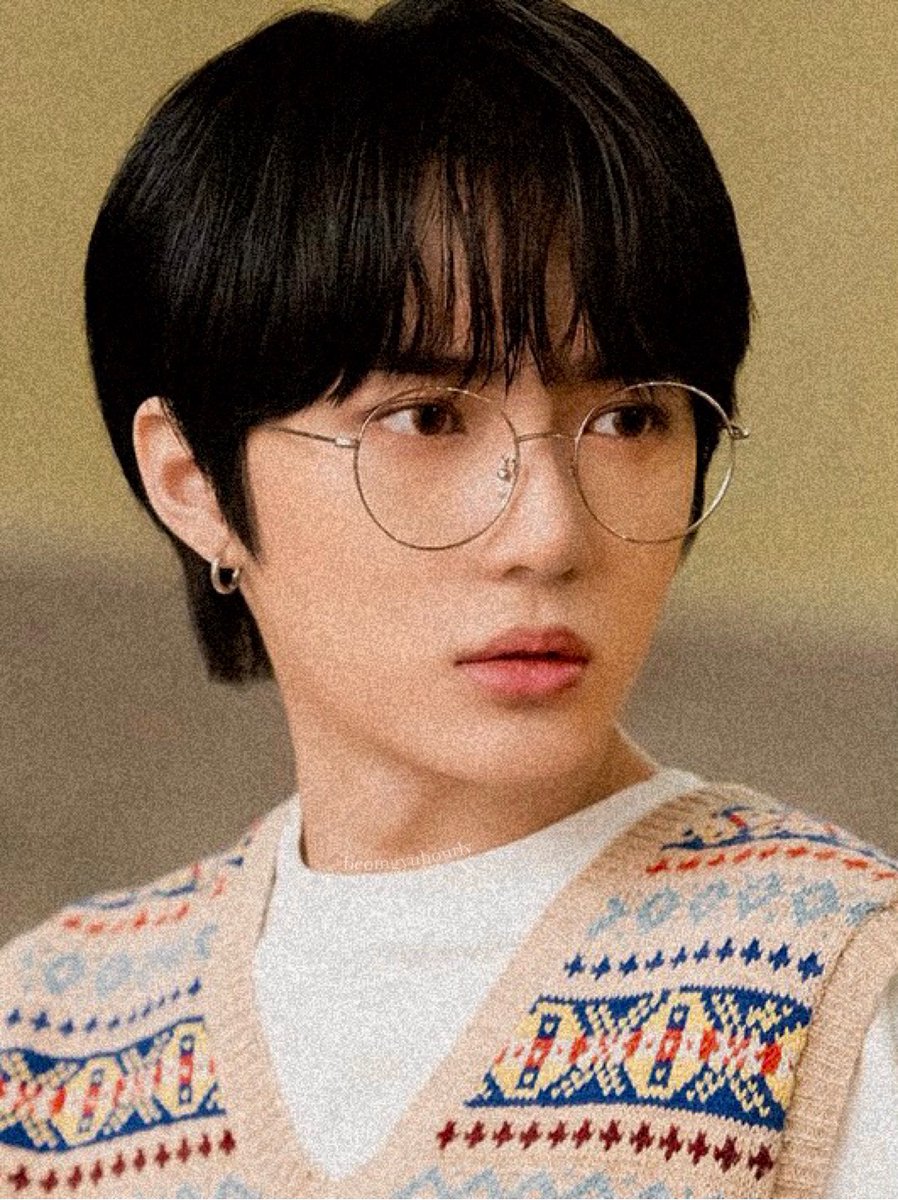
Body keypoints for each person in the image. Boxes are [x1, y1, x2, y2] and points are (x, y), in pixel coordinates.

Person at [1, 1, 896, 1196]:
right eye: (426, 419)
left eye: (629, 418)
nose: (549, 532)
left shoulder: (832, 985)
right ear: (192, 483)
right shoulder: (46, 1046)